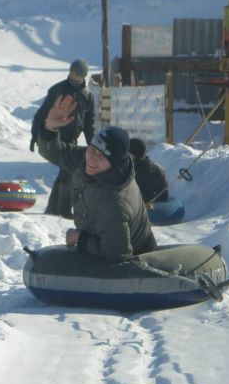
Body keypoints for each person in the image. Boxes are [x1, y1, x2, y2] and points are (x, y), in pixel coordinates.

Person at [38, 96, 156, 262]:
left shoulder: (114, 203)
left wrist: (80, 238)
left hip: (137, 262)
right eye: (92, 149)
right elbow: (55, 152)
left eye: (101, 155)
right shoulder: (87, 159)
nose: (92, 158)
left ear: (114, 163)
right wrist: (50, 127)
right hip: (101, 236)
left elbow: (118, 254)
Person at [30, 58, 95, 218]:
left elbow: (89, 124)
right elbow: (41, 115)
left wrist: (93, 145)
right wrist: (35, 136)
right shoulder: (58, 89)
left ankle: (53, 210)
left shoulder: (87, 96)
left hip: (71, 141)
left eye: (77, 74)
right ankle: (62, 211)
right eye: (72, 73)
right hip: (55, 138)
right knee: (70, 173)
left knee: (66, 174)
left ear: (83, 76)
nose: (73, 76)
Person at [129, 138, 169, 204]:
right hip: (154, 206)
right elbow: (164, 196)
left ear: (133, 155)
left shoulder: (130, 171)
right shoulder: (156, 168)